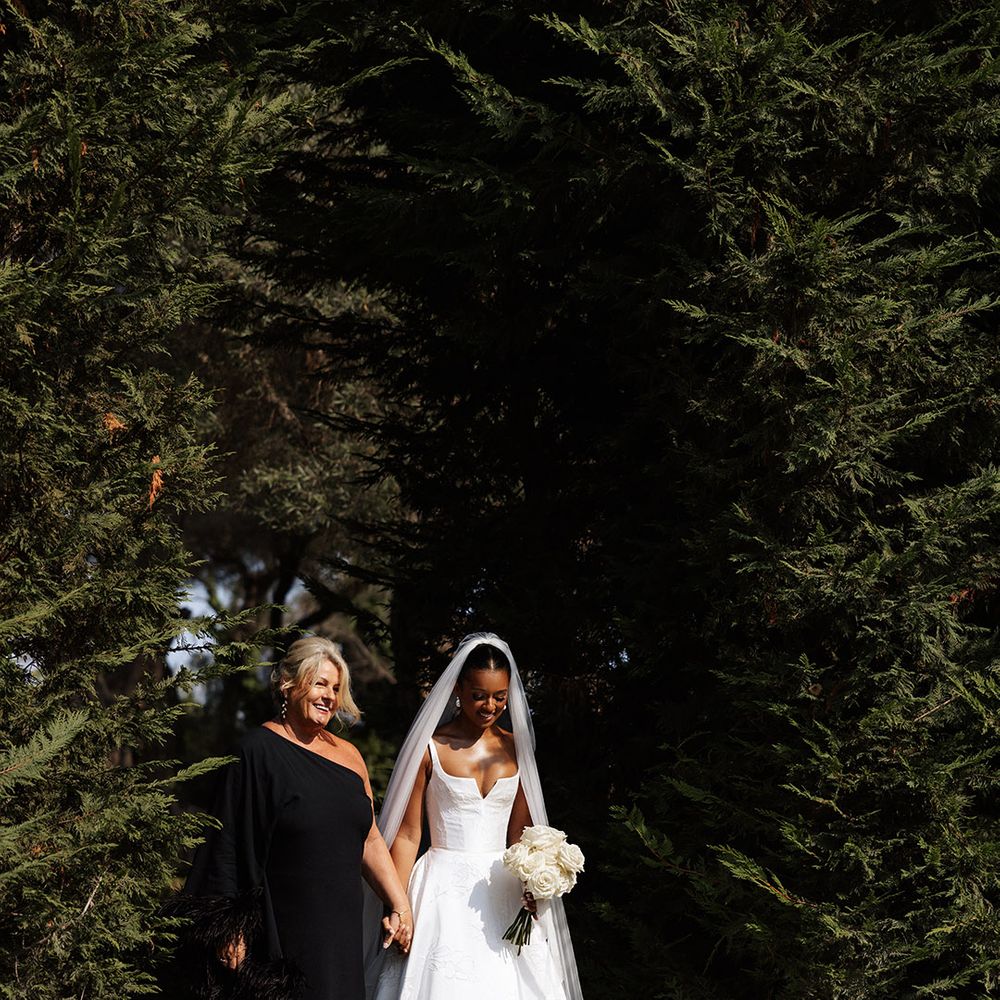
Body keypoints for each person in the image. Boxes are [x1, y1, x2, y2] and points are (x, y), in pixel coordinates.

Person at [170, 636, 413, 1000]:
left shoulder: (350, 756)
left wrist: (399, 902)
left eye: (335, 688)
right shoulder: (255, 752)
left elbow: (370, 838)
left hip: (341, 931)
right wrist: (226, 928)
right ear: (287, 684)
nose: (329, 696)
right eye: (320, 683)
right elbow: (226, 843)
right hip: (284, 930)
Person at [365, 633, 583, 1000]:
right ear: (458, 690)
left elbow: (521, 835)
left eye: (500, 697)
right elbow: (407, 835)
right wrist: (398, 906)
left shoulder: (519, 748)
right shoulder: (430, 747)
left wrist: (533, 883)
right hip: (441, 894)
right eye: (478, 695)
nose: (489, 705)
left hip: (503, 892)